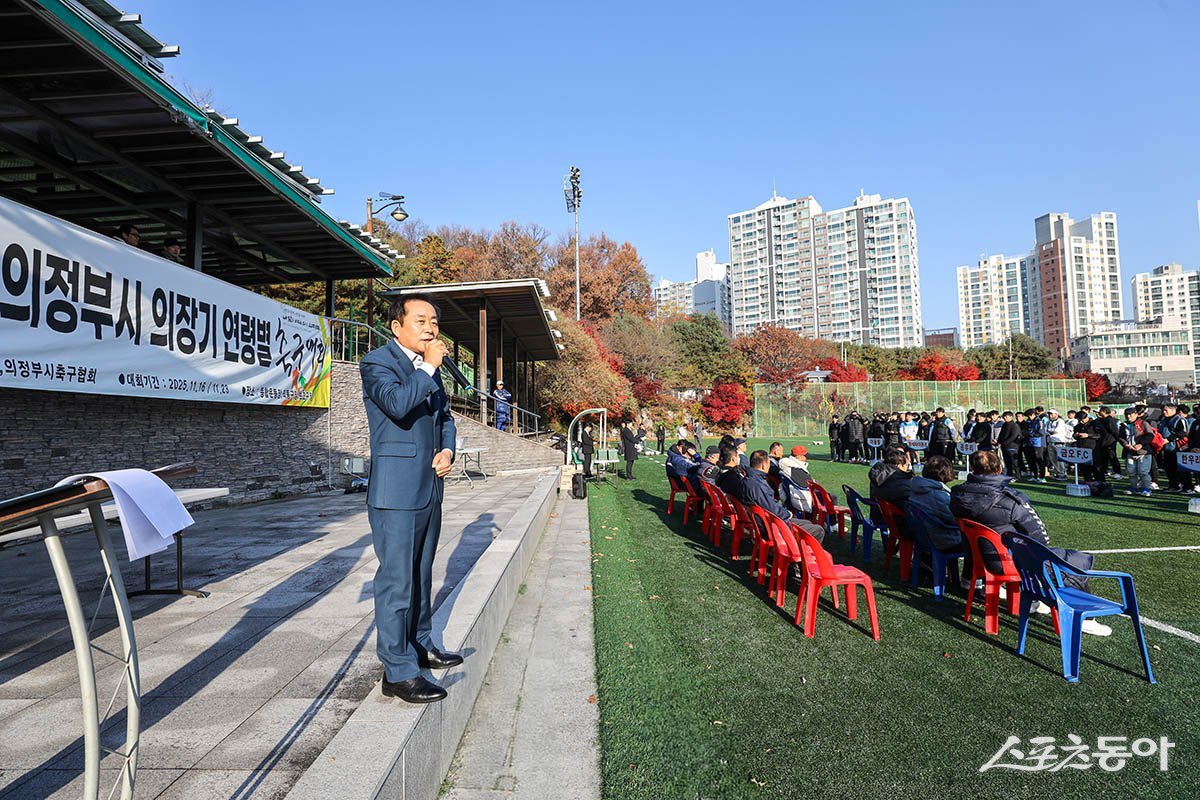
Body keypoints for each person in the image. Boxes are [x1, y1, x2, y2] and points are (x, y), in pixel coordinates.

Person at [361, 294, 463, 704]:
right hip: (396, 493)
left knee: (421, 574)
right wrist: (429, 367)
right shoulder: (377, 363)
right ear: (396, 326)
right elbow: (398, 404)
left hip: (429, 488)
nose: (430, 328)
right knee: (397, 581)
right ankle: (398, 671)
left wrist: (448, 449)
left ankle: (420, 644)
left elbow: (446, 418)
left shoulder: (429, 369)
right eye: (421, 320)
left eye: (434, 321)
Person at [950, 451, 1111, 636]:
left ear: (973, 468)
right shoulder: (1010, 500)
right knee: (1073, 562)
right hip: (1010, 562)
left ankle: (985, 585)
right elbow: (1040, 538)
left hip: (978, 557)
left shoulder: (957, 494)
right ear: (1000, 468)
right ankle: (1085, 618)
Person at [741, 450, 824, 541]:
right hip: (773, 526)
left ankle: (799, 546)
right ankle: (797, 549)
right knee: (818, 530)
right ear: (764, 465)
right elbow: (772, 509)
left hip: (765, 523)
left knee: (807, 523)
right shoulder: (757, 485)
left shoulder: (748, 479)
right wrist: (788, 513)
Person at [906, 455, 964, 553]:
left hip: (922, 535)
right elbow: (955, 518)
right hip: (943, 539)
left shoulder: (915, 488)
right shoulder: (938, 496)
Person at [868, 445, 914, 525]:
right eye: (906, 466)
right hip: (896, 521)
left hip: (877, 515)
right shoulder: (896, 481)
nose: (907, 469)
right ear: (899, 465)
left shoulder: (879, 473)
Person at [1120, 407, 1155, 496]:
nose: (1128, 416)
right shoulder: (1123, 425)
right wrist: (1126, 445)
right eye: (1126, 415)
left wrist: (1141, 444)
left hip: (1144, 452)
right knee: (1131, 472)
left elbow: (1150, 435)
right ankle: (1134, 487)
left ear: (1136, 414)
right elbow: (1121, 437)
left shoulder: (1143, 423)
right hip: (1130, 451)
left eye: (1130, 414)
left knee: (1143, 472)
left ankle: (1147, 489)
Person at [1158, 403, 1192, 493]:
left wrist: (1168, 439)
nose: (1164, 412)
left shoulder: (1180, 419)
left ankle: (1188, 487)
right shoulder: (1163, 420)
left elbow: (1183, 433)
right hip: (1167, 448)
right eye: (1163, 410)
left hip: (1179, 448)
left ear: (1173, 410)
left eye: (1166, 410)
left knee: (1183, 469)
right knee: (1169, 468)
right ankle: (1174, 486)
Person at [1020, 408, 1047, 483]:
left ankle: (1042, 477)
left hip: (1038, 444)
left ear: (1033, 414)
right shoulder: (1030, 421)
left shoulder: (1039, 421)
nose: (1028, 417)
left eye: (1029, 416)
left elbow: (1041, 433)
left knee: (1040, 460)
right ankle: (1035, 476)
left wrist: (1029, 434)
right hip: (1031, 443)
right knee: (1032, 460)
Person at [1045, 408, 1072, 478]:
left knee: (1060, 459)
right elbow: (1045, 431)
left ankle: (1062, 473)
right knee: (1053, 459)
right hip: (1050, 442)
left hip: (1059, 442)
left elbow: (1057, 430)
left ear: (1056, 414)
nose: (1050, 415)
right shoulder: (1049, 422)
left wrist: (1049, 431)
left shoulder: (1060, 421)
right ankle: (1058, 472)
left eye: (1051, 414)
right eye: (1049, 414)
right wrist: (1050, 431)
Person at [997, 411, 1023, 478]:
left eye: (1006, 416)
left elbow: (1013, 436)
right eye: (1004, 416)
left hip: (1012, 446)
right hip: (1004, 447)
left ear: (1011, 417)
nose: (1005, 418)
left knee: (1015, 463)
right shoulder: (1004, 425)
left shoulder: (1015, 425)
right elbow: (1001, 434)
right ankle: (1009, 475)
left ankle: (1018, 476)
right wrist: (998, 441)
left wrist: (1004, 443)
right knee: (1007, 462)